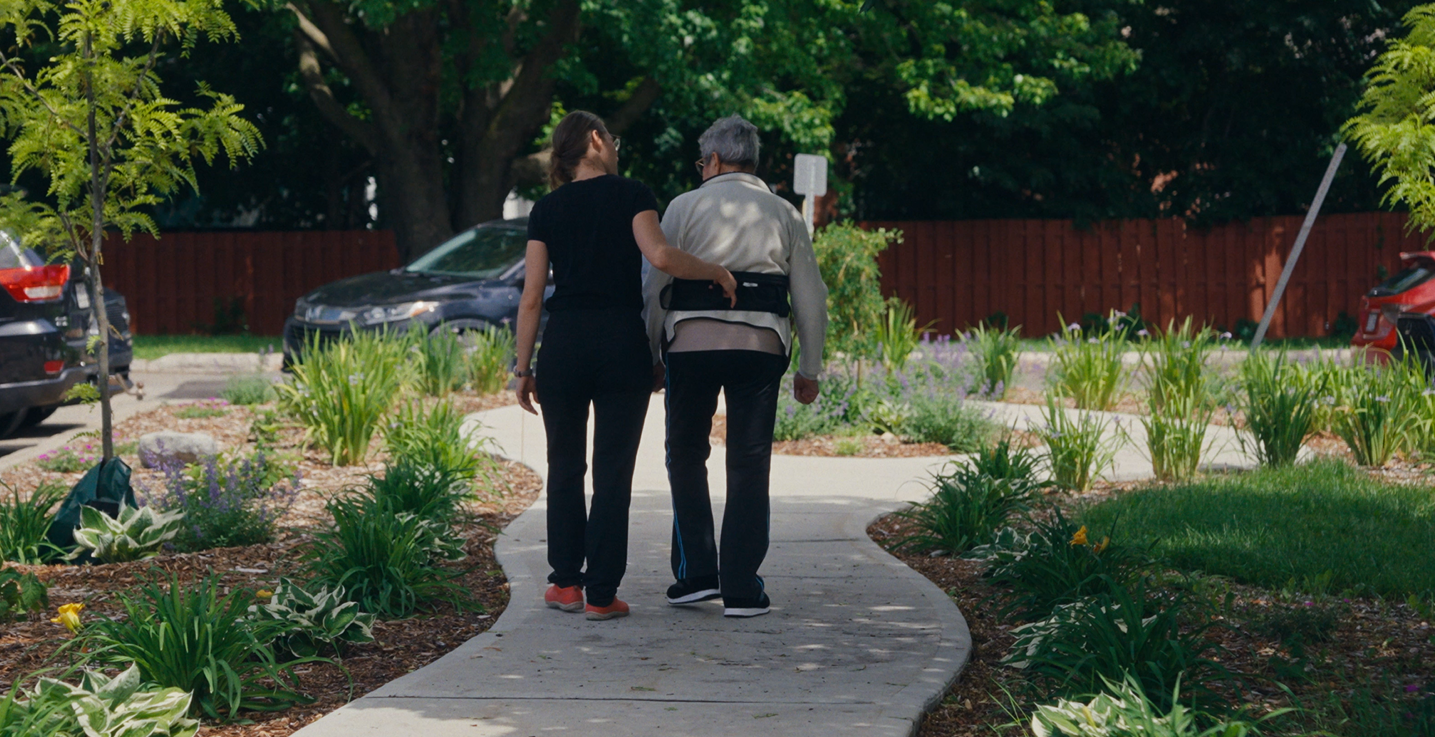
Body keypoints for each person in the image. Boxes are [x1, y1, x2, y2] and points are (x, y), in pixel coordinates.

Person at [513, 111, 737, 621]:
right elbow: (659, 257)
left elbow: (530, 298)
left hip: (564, 347)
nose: (614, 146)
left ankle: (565, 584)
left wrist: (523, 367)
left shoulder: (545, 209)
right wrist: (716, 271)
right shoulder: (631, 193)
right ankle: (601, 594)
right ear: (596, 140)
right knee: (613, 473)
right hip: (619, 345)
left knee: (564, 467)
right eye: (611, 138)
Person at [643, 115, 829, 618]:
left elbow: (654, 285)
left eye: (702, 162)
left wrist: (652, 353)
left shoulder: (683, 206)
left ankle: (697, 574)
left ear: (717, 160)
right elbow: (810, 296)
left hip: (691, 345)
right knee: (749, 463)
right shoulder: (785, 213)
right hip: (760, 347)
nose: (701, 169)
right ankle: (743, 587)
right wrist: (809, 368)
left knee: (684, 453)